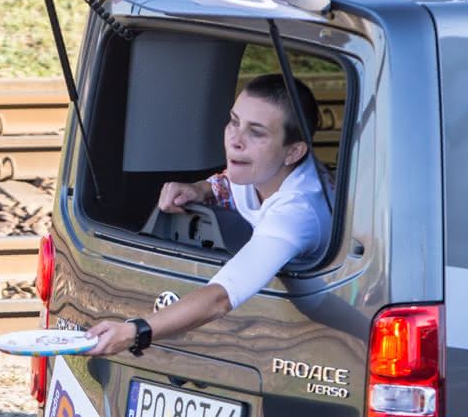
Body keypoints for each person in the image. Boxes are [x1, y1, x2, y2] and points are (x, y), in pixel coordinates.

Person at [85, 73, 334, 356]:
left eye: (257, 132)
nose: (235, 140)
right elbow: (231, 181)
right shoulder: (263, 167)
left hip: (317, 338)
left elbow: (221, 297)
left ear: (293, 152)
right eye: (233, 121)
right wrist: (201, 189)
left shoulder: (298, 210)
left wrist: (135, 332)